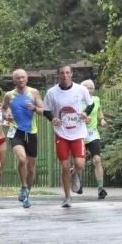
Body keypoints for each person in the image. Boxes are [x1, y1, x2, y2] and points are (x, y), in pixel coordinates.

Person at [43, 64, 94, 208]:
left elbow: (90, 105)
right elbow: (46, 110)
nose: (64, 75)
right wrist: (53, 118)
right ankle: (67, 197)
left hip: (78, 132)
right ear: (58, 75)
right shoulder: (52, 92)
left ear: (71, 74)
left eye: (67, 73)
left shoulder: (81, 89)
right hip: (62, 133)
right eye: (62, 73)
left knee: (80, 164)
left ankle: (75, 174)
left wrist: (85, 113)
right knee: (64, 166)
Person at [2, 69, 45, 209]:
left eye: (22, 77)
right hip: (16, 131)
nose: (20, 80)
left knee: (31, 168)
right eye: (18, 78)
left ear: (27, 79)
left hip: (31, 132)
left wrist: (34, 108)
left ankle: (27, 195)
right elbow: (4, 108)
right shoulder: (9, 95)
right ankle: (23, 186)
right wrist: (7, 116)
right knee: (22, 159)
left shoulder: (34, 92)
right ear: (14, 80)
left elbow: (43, 110)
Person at [80, 79, 108, 200]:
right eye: (87, 88)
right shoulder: (77, 101)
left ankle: (101, 188)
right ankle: (75, 178)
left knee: (97, 160)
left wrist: (102, 119)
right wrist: (82, 120)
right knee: (80, 164)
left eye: (91, 88)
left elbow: (99, 110)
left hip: (92, 134)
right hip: (80, 134)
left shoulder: (96, 99)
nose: (89, 90)